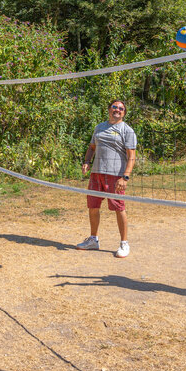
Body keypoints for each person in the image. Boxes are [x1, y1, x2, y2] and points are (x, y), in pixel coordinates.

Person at [75, 99, 137, 258]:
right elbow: (92, 147)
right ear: (109, 109)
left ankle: (124, 243)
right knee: (93, 207)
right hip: (96, 174)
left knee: (119, 207)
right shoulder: (99, 127)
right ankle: (93, 240)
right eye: (114, 107)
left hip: (115, 176)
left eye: (121, 108)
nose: (117, 110)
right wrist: (87, 162)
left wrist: (125, 177)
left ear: (124, 113)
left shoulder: (127, 130)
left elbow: (131, 157)